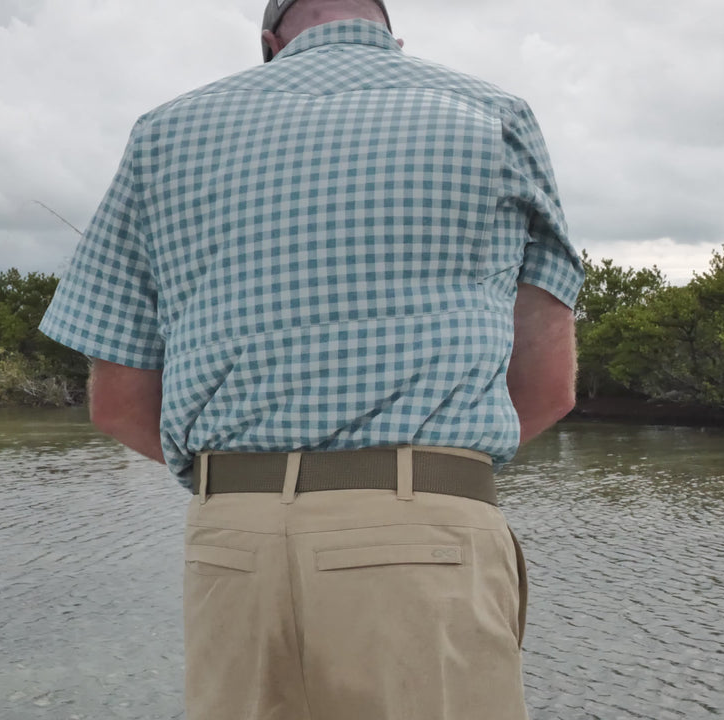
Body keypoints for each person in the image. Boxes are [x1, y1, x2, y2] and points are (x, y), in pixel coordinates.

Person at [39, 0, 584, 717]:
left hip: (233, 541)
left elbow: (115, 405)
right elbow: (549, 387)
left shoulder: (162, 133)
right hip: (425, 535)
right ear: (391, 35)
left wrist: (250, 485)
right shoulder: (495, 116)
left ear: (271, 43)